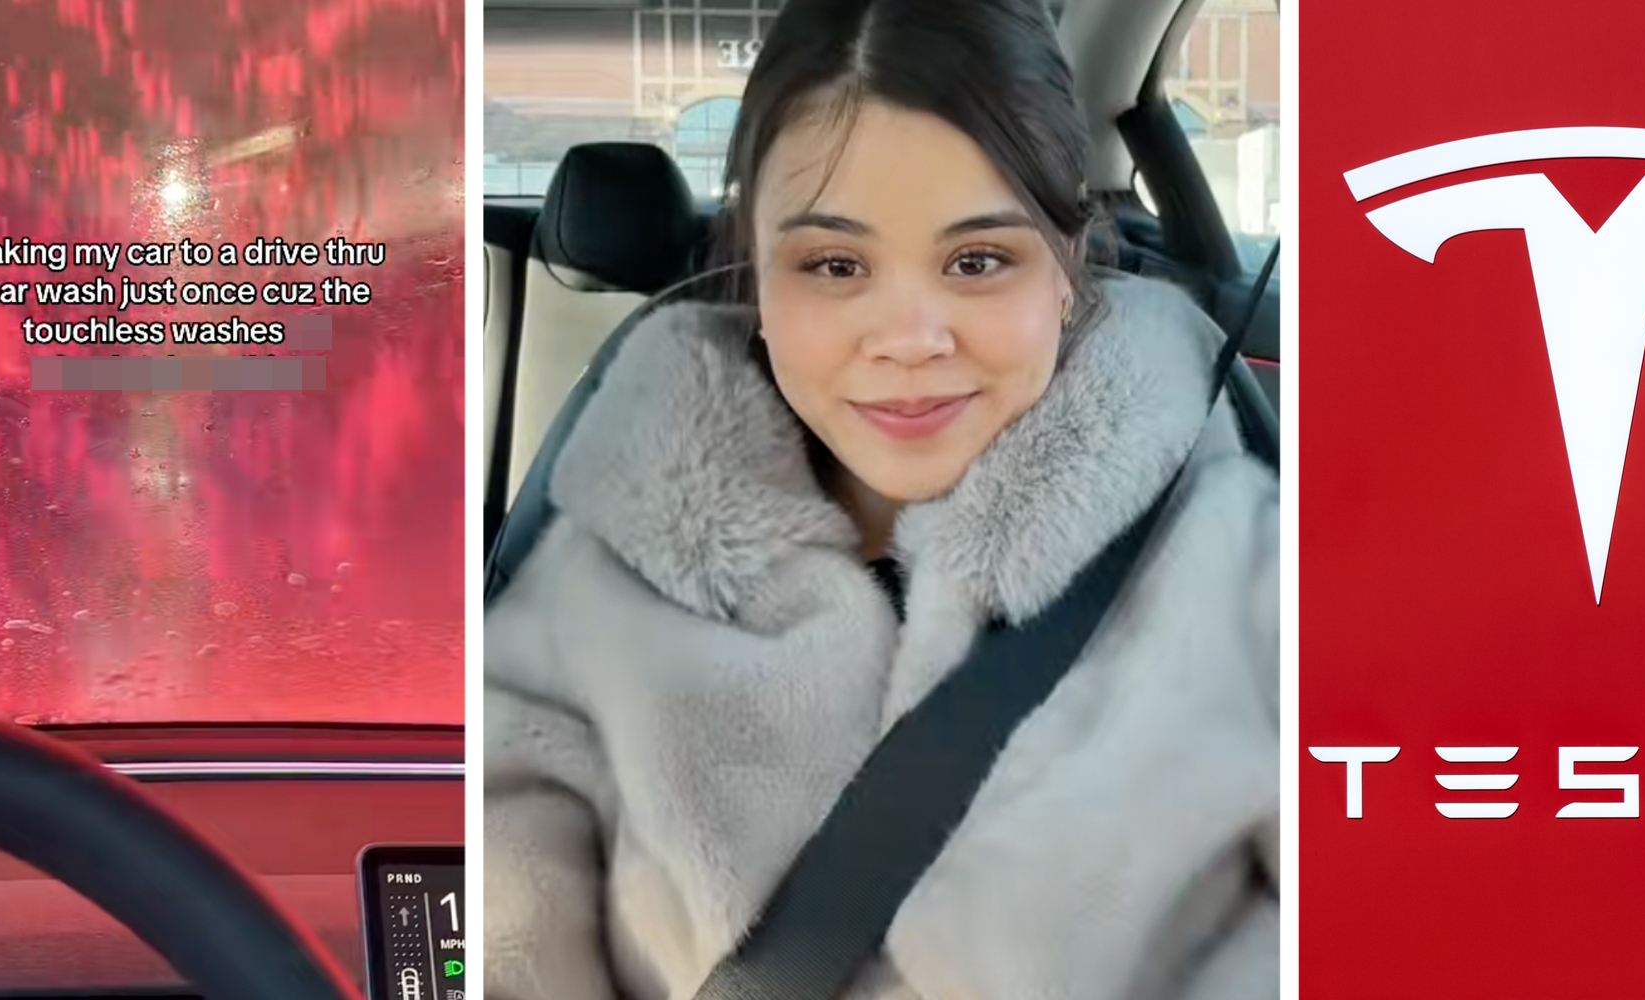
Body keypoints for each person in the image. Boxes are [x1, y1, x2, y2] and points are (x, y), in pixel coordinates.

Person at [485, 0, 1278, 996]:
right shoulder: (593, 583)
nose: (908, 336)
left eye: (977, 261)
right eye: (835, 265)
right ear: (758, 277)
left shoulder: (1250, 586)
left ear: (1066, 269)